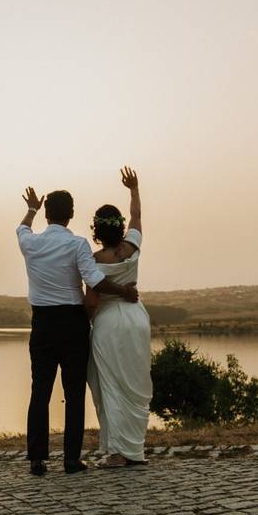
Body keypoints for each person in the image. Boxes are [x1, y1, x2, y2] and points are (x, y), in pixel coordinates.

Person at [17, 187, 140, 476]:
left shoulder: (29, 243)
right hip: (73, 323)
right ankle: (71, 459)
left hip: (43, 323)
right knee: (74, 393)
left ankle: (37, 459)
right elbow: (95, 281)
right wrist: (124, 291)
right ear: (71, 215)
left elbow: (22, 227)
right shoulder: (78, 245)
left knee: (40, 390)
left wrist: (32, 208)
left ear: (47, 214)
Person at [85, 166, 153, 468]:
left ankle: (117, 453)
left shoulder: (92, 261)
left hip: (109, 323)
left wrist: (85, 321)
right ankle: (135, 449)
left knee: (111, 386)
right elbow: (137, 217)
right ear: (120, 226)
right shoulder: (133, 248)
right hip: (137, 319)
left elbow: (92, 298)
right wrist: (134, 189)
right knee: (135, 384)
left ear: (97, 231)